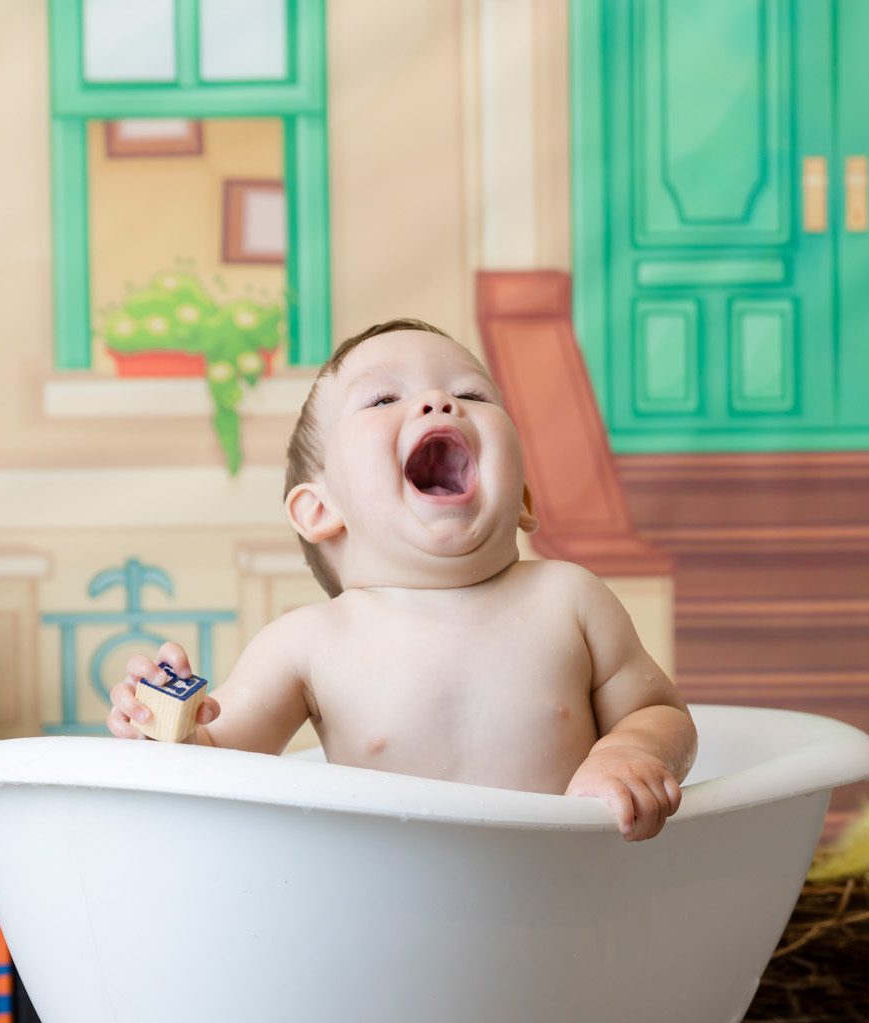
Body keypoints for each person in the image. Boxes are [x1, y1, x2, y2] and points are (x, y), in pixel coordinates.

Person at [108, 318, 694, 841]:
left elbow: (663, 713)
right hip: (392, 918)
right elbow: (216, 764)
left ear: (520, 497)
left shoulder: (569, 598)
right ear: (320, 509)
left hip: (561, 909)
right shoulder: (307, 642)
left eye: (470, 393)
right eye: (383, 397)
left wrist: (631, 752)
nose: (439, 401)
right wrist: (167, 728)